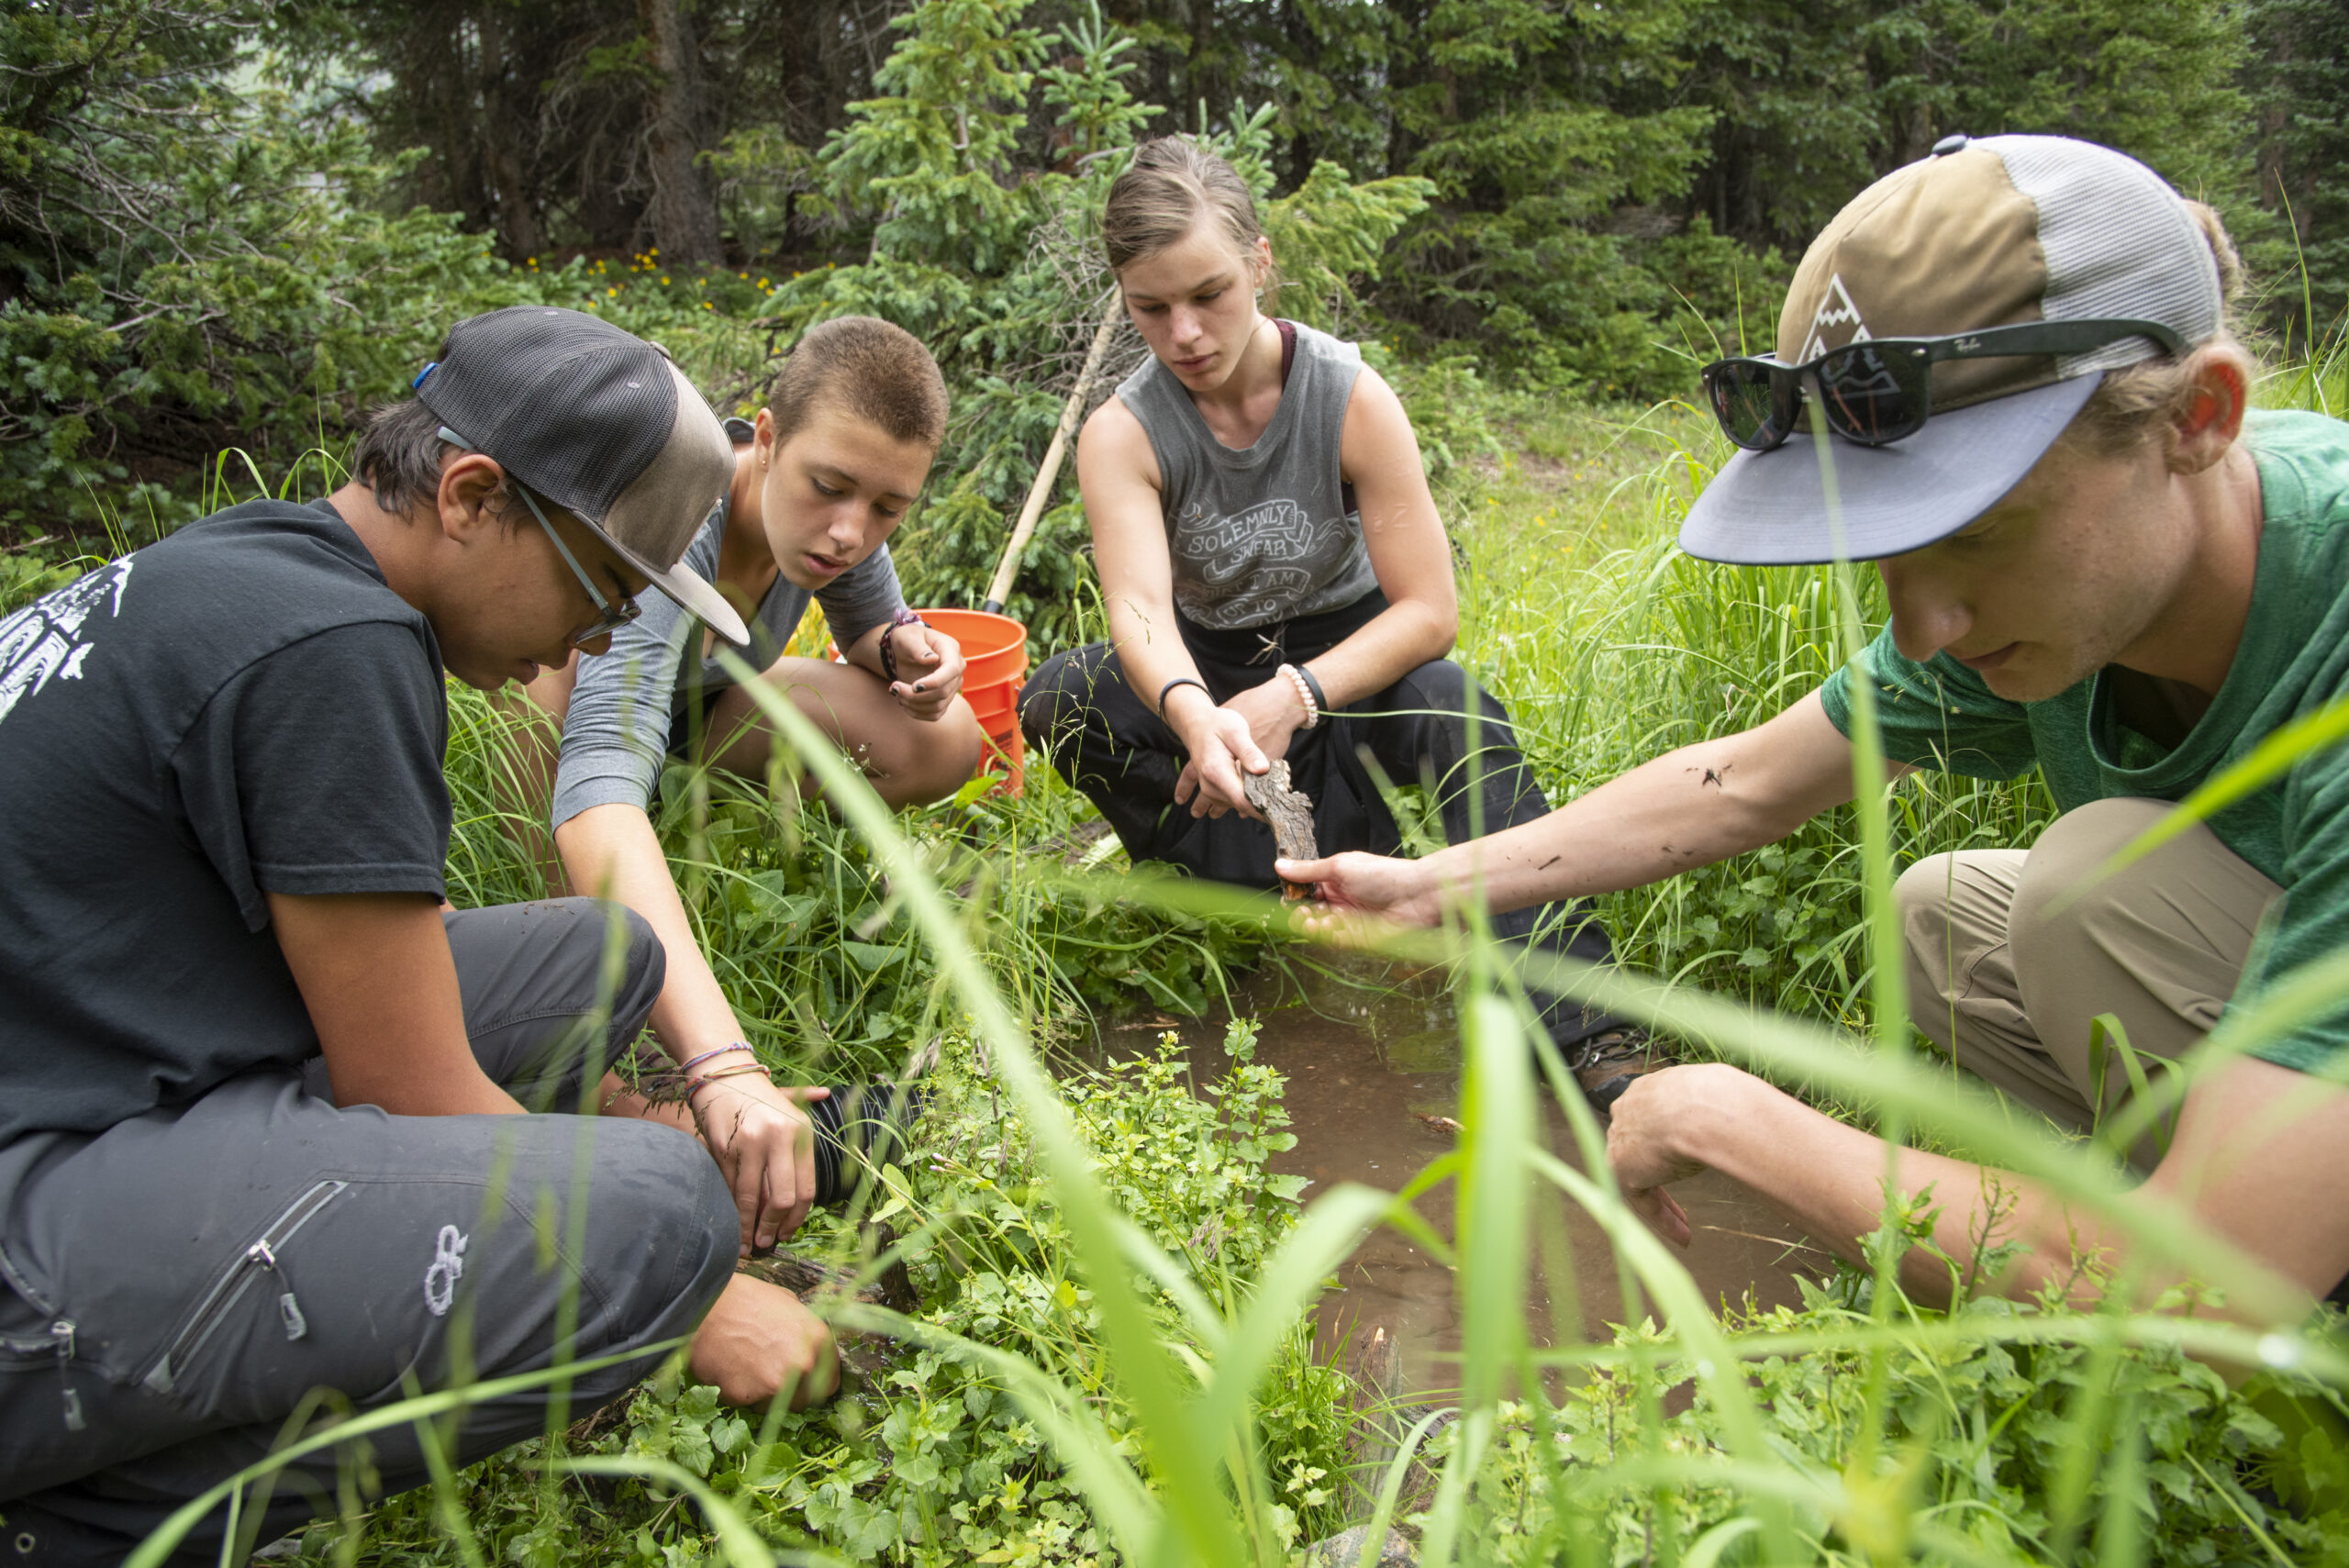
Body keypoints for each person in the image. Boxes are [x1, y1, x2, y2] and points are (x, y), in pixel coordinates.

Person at [1281, 134, 2349, 1325]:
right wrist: (1433, 884)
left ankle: (2258, 1248)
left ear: (2197, 417)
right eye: (1888, 548)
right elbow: (1746, 782)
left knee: (2087, 886)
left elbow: (2212, 1289)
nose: (1926, 627)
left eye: (1976, 531)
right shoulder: (2070, 582)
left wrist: (1742, 1125)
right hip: (2273, 952)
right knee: (1948, 921)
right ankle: (2189, 1208)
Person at [0, 307, 841, 1564]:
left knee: (599, 959)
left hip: (85, 1083)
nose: (595, 642)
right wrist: (702, 1301)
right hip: (31, 1208)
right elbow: (414, 1084)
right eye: (601, 589)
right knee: (659, 1225)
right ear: (470, 494)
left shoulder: (260, 563)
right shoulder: (340, 645)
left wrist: (640, 1104)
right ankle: (98, 1518)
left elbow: (395, 957)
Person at [1018, 137, 1641, 1090]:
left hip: (1351, 665)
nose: (1184, 332)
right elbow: (1139, 609)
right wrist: (1195, 715)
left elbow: (1430, 610)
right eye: (1151, 308)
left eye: (1209, 294)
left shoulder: (1347, 395)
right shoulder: (1125, 431)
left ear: (1258, 263)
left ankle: (1584, 1030)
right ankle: (1255, 903)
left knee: (1453, 704)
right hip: (1207, 670)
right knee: (1062, 696)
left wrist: (1298, 692)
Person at [516, 316, 983, 1157]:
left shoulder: (839, 531)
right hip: (586, 719)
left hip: (698, 725)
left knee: (945, 737)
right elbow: (601, 762)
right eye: (829, 486)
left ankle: (728, 861)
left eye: (888, 507)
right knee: (541, 692)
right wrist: (724, 1063)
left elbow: (873, 624)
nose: (851, 530)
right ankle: (592, 1054)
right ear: (766, 439)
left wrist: (910, 650)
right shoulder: (678, 518)